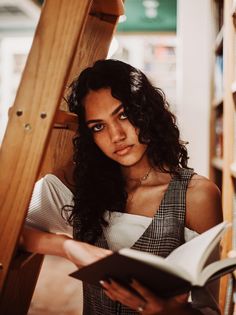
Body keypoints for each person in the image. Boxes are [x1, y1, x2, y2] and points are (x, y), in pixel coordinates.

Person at [22, 59, 222, 315]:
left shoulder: (197, 195)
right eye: (98, 126)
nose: (116, 135)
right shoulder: (78, 185)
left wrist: (168, 311)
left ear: (147, 112)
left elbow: (210, 309)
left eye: (124, 115)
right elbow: (9, 230)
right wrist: (67, 246)